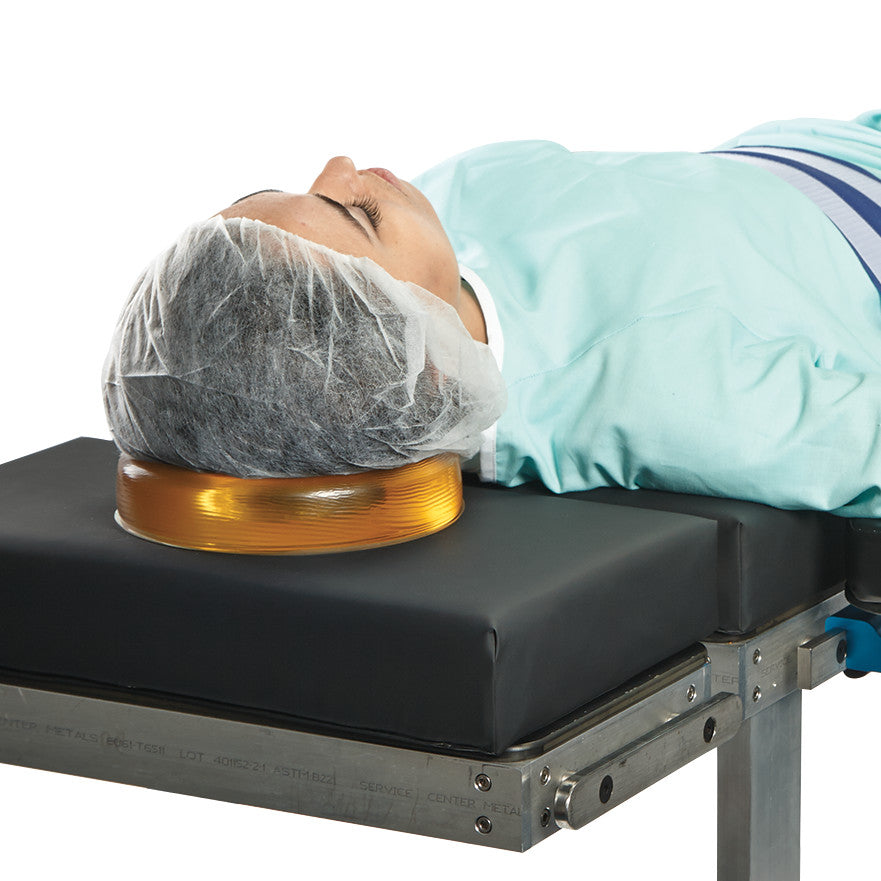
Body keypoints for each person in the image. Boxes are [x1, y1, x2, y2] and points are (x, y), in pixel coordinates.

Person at [103, 110, 881, 517]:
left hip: (819, 146)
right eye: (357, 214)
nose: (342, 165)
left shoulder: (436, 226)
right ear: (416, 362)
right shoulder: (652, 398)